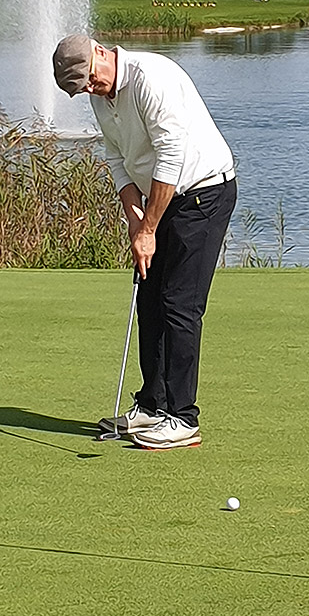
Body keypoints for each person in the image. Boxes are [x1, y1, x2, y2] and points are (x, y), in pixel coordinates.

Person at [52, 35, 236, 450]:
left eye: (90, 79)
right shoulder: (101, 96)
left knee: (179, 304)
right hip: (160, 198)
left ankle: (183, 418)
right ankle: (152, 405)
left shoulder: (151, 77)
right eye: (83, 88)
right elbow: (117, 160)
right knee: (149, 299)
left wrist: (149, 228)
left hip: (203, 193)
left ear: (100, 52)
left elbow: (171, 156)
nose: (91, 89)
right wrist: (137, 222)